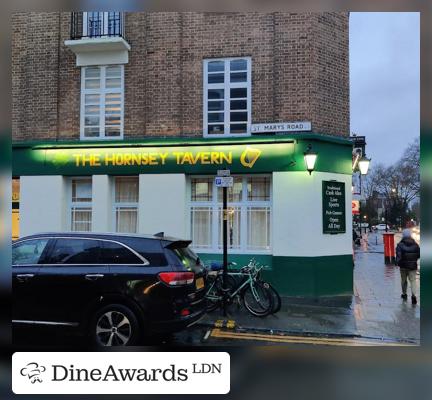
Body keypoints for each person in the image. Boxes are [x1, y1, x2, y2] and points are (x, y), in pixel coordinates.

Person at [396, 228, 420, 305]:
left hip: (403, 266)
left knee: (404, 280)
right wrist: (414, 260)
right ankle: (413, 296)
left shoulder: (400, 245)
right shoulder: (415, 244)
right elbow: (418, 255)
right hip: (413, 266)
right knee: (413, 281)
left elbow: (398, 256)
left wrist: (397, 263)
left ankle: (404, 294)